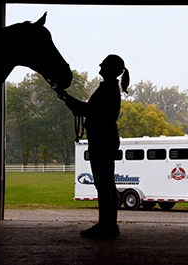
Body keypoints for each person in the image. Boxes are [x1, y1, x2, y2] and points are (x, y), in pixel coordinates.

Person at [57, 54, 129, 238]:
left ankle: (106, 226)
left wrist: (67, 98)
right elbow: (90, 110)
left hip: (101, 139)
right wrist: (69, 100)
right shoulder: (109, 88)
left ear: (110, 69)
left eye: (104, 64)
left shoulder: (107, 89)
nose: (100, 65)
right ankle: (108, 224)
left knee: (103, 184)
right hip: (106, 138)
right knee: (107, 183)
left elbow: (88, 110)